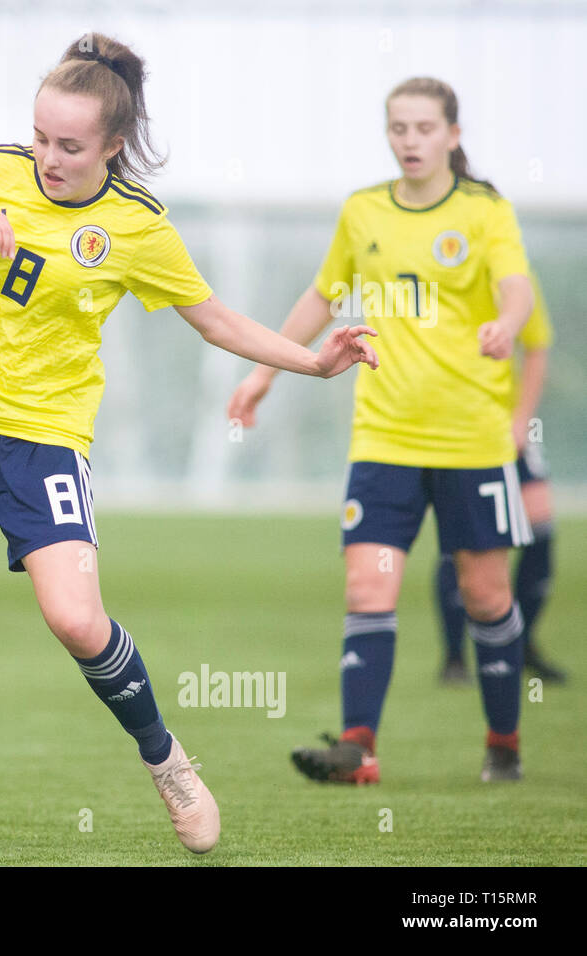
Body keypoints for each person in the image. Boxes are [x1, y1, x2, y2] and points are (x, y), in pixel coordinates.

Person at [0, 34, 377, 857]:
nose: (48, 156)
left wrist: (313, 362)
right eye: (42, 137)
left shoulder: (137, 227)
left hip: (42, 437)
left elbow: (215, 318)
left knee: (77, 620)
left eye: (70, 146)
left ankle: (168, 762)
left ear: (112, 146)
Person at [228, 77, 535, 784]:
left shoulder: (487, 212)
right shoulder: (363, 211)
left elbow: (516, 286)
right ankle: (358, 750)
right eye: (399, 128)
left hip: (472, 440)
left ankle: (505, 743)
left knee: (487, 595)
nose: (410, 141)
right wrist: (265, 372)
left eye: (425, 128)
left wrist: (507, 324)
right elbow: (324, 293)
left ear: (453, 136)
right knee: (369, 587)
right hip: (384, 437)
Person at [436, 276, 565, 684]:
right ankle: (455, 656)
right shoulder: (442, 270)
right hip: (457, 424)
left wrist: (522, 420)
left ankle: (522, 641)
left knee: (540, 526)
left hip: (507, 425)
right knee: (461, 537)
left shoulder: (517, 280)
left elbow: (537, 346)